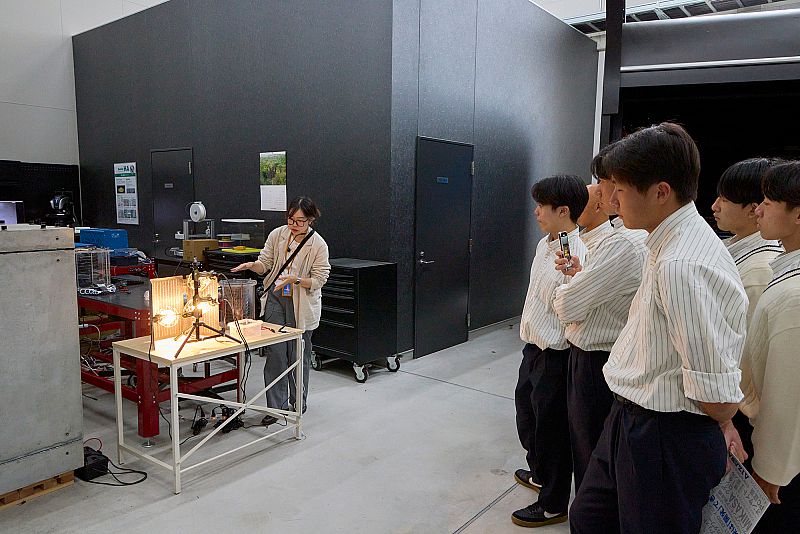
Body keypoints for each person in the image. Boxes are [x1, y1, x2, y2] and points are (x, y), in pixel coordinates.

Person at [569, 123, 749, 534]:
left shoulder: (680, 264)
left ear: (660, 192)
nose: (612, 200)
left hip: (663, 434)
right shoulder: (665, 241)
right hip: (634, 418)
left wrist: (722, 422)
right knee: (589, 517)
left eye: (620, 189)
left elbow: (718, 398)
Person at [552, 158, 647, 494]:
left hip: (596, 358)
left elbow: (568, 306)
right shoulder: (626, 239)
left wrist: (569, 288)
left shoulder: (623, 242)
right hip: (601, 356)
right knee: (590, 444)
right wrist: (581, 277)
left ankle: (587, 507)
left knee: (588, 447)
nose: (609, 192)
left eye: (608, 184)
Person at [513, 174, 588, 528]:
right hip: (533, 349)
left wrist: (573, 276)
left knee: (552, 431)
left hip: (555, 356)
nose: (536, 211)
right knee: (527, 417)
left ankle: (554, 503)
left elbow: (570, 306)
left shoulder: (573, 252)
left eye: (542, 205)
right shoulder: (546, 245)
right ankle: (541, 473)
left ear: (564, 211)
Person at [738, 161, 800, 532]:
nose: (758, 210)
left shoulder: (794, 296)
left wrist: (770, 471)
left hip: (784, 462)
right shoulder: (786, 268)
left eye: (769, 202)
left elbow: (787, 395)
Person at [232, 197, 330, 425]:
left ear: (311, 220)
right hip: (276, 298)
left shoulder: (318, 245)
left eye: (300, 221)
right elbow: (265, 263)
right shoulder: (278, 235)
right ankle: (276, 408)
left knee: (298, 354)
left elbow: (320, 279)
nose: (294, 225)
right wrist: (252, 265)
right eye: (290, 219)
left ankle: (298, 402)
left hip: (301, 303)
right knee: (276, 354)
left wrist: (297, 280)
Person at [711, 158, 783, 463]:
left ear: (754, 209)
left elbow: (748, 357)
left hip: (738, 409)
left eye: (725, 200)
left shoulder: (758, 270)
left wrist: (725, 415)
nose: (714, 206)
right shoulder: (736, 250)